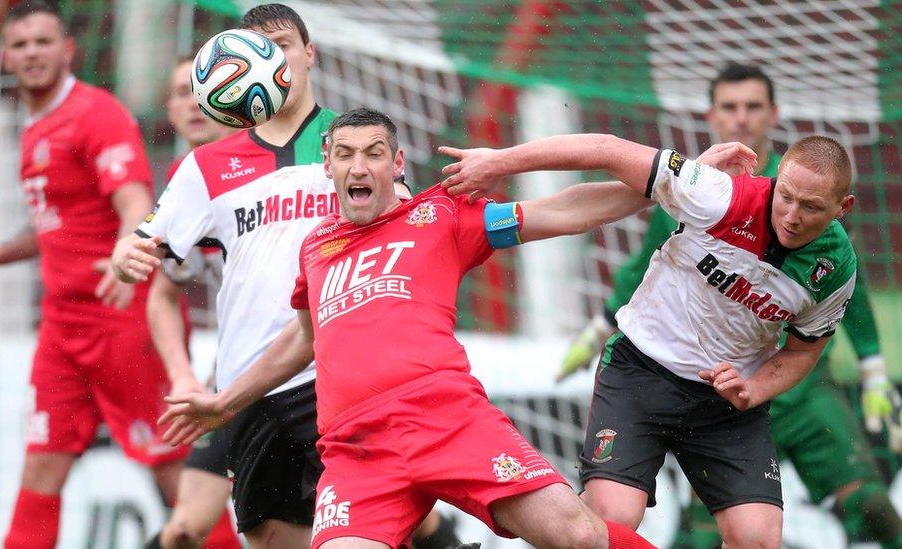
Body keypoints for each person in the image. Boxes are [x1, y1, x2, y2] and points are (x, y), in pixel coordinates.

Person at [149, 108, 758, 548]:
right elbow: (303, 340)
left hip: (446, 420)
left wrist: (682, 183)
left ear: (395, 163)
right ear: (327, 167)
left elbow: (563, 211)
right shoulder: (315, 248)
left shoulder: (440, 216)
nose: (358, 166)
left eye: (371, 153)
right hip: (358, 453)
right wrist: (224, 402)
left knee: (577, 535)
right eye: (344, 154)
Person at [112, 6, 461, 548]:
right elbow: (143, 240)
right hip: (252, 383)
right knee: (273, 537)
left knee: (380, 525)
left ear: (309, 54)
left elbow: (410, 243)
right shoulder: (206, 166)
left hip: (341, 374)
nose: (271, 59)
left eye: (281, 45)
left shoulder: (355, 145)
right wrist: (125, 255)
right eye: (256, 48)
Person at [438, 128, 867, 547]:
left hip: (723, 403)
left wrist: (751, 389)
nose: (791, 215)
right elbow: (605, 148)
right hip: (640, 374)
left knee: (757, 538)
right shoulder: (719, 194)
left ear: (842, 207)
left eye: (810, 207)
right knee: (615, 520)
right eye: (785, 196)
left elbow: (801, 354)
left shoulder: (835, 270)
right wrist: (498, 161)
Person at [557, 63, 902, 548]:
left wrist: (872, 367)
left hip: (782, 386)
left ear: (774, 115)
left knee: (864, 505)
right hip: (691, 379)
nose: (742, 119)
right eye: (730, 107)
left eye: (753, 107)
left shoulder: (815, 194)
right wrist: (599, 327)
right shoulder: (703, 189)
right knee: (681, 531)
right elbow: (644, 265)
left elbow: (846, 293)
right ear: (712, 115)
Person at [0, 3, 188, 547]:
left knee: (170, 468)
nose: (32, 53)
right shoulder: (35, 128)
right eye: (21, 44)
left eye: (43, 42)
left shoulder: (95, 113)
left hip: (121, 316)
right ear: (5, 57)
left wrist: (129, 252)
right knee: (42, 468)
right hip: (62, 327)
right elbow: (64, 227)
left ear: (68, 49)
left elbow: (136, 200)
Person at [145, 58, 240, 549]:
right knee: (185, 529)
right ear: (170, 109)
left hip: (313, 369)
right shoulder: (182, 187)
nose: (195, 101)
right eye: (183, 91)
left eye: (205, 89)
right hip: (237, 373)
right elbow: (161, 296)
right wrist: (183, 376)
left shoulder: (274, 164)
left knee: (402, 513)